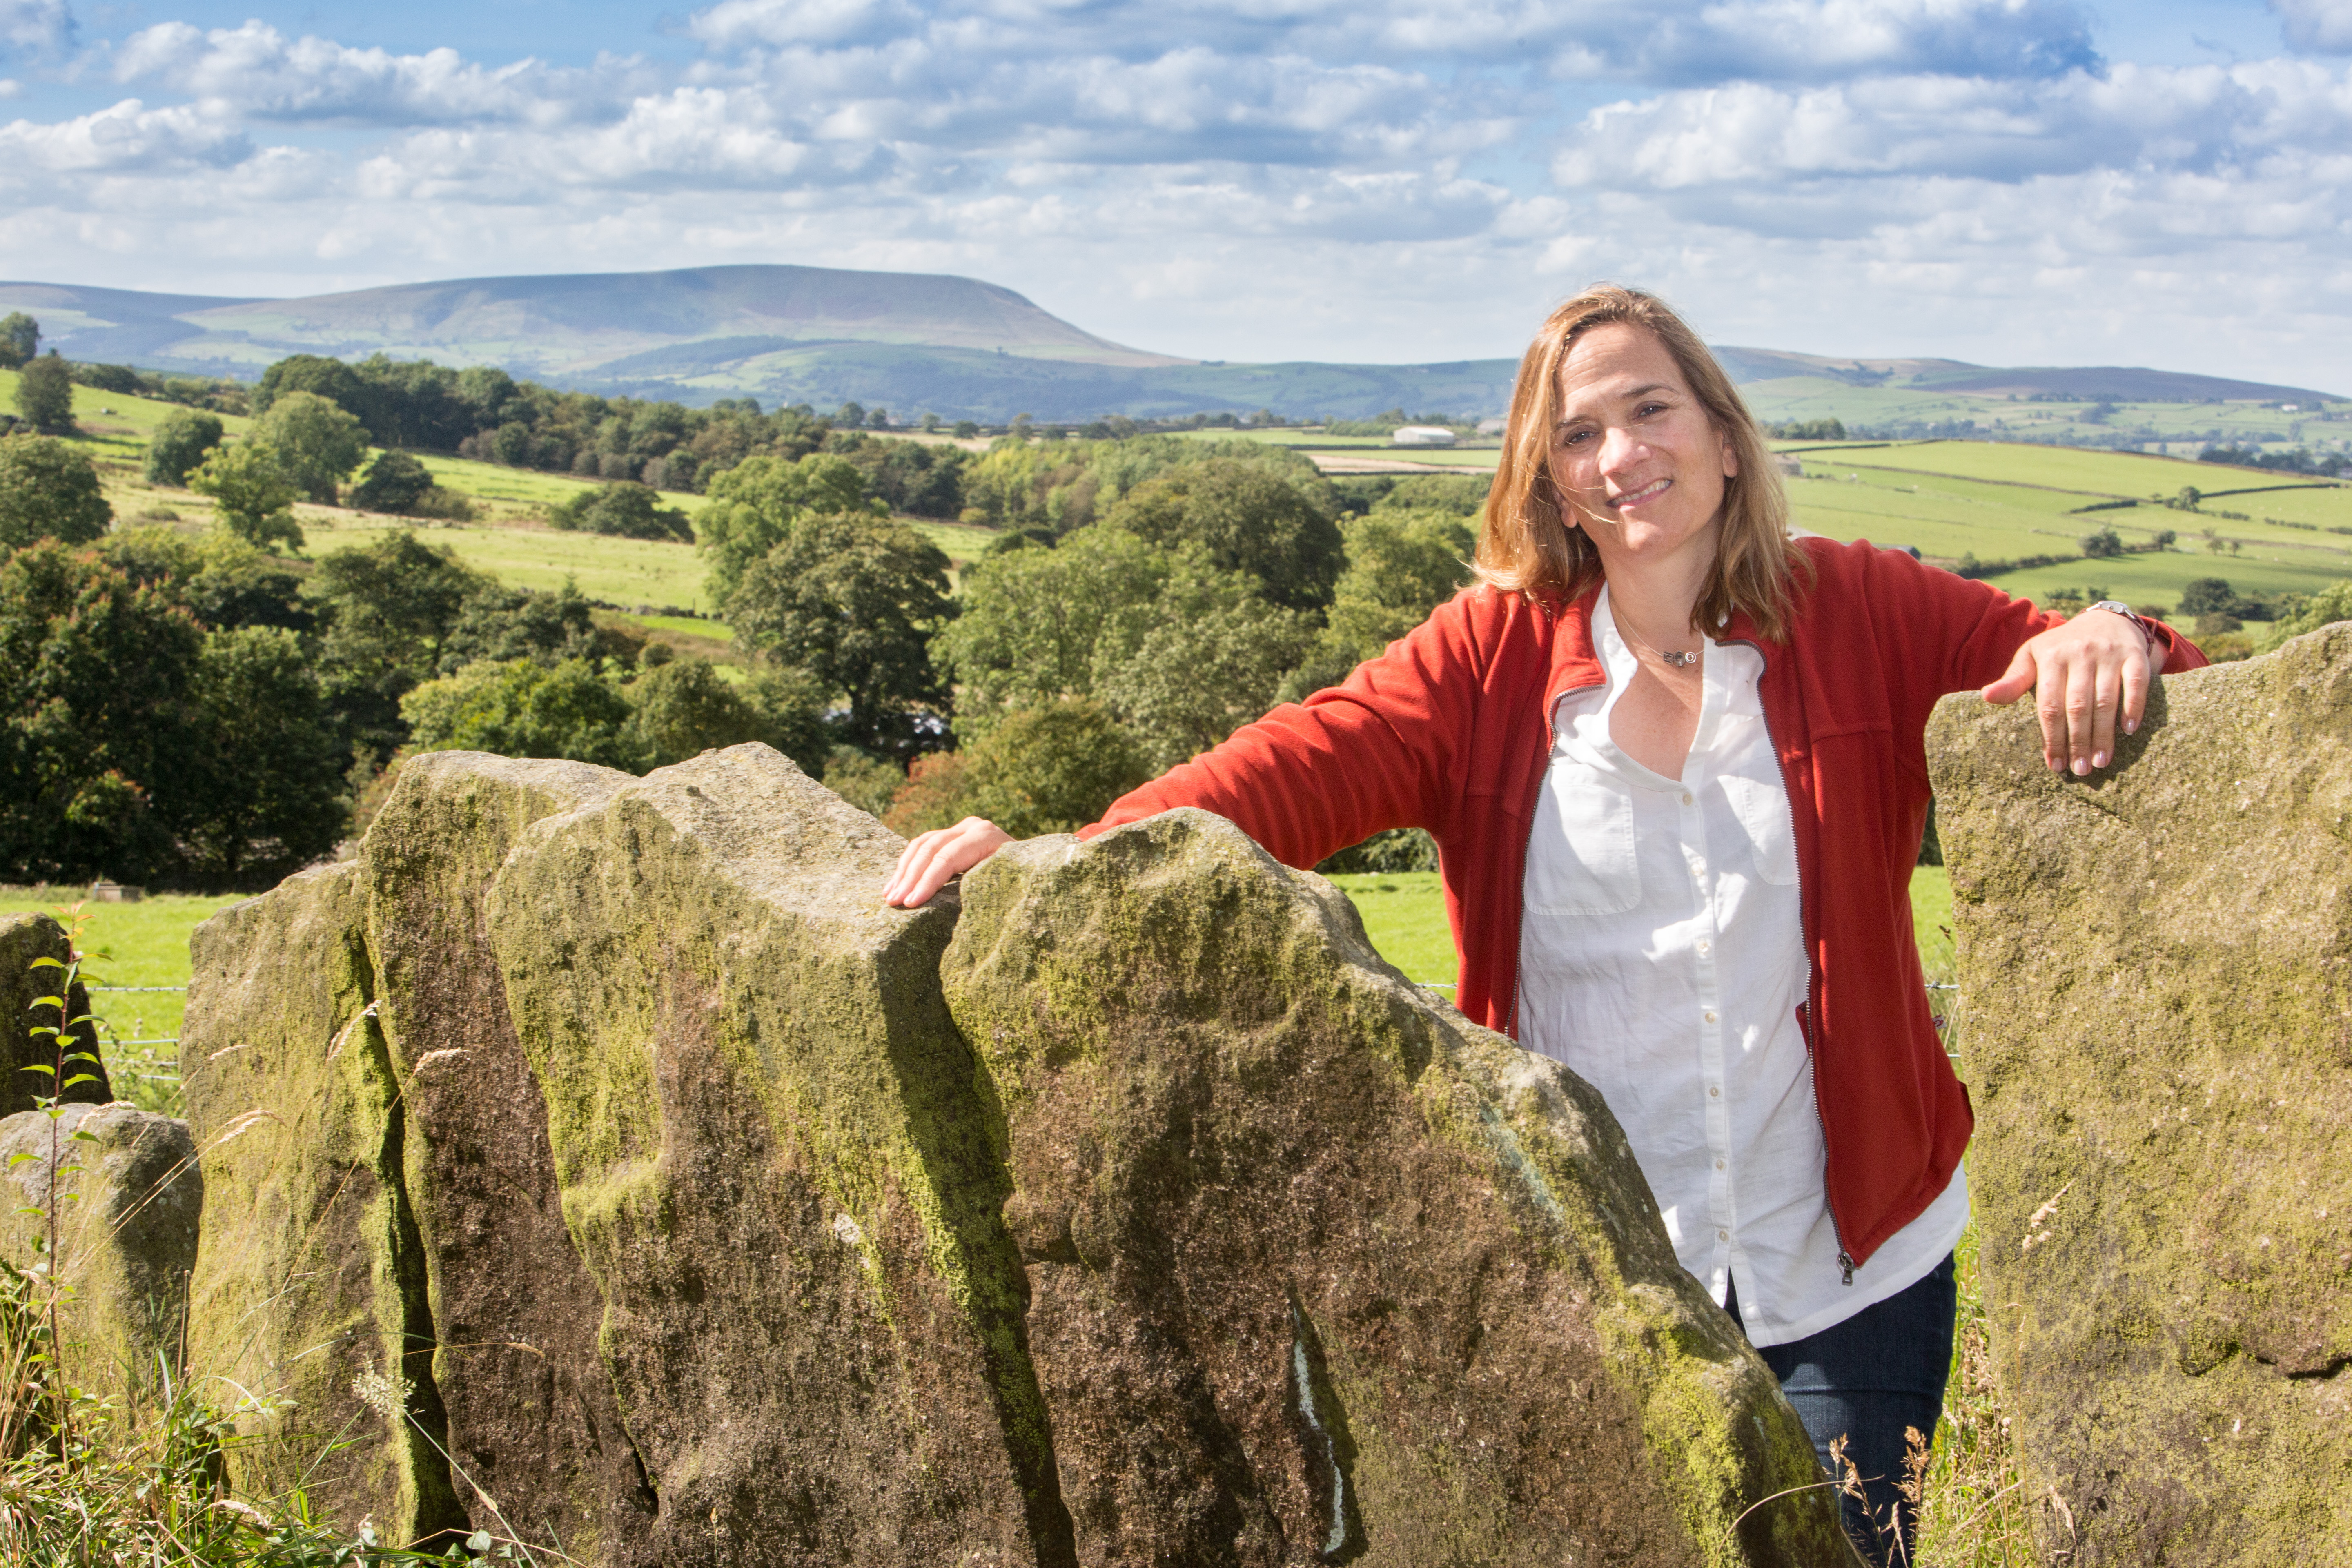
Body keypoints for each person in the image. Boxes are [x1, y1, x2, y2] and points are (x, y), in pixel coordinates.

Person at [885, 284, 2205, 1564]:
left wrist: (2116, 626)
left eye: (1651, 409)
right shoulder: (1487, 655)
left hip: (1852, 1269)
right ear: (1547, 479)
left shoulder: (1863, 607)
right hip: (1590, 1274)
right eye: (1577, 434)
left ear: (1725, 435)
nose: (1622, 455)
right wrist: (1060, 856)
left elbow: (2129, 678)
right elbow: (1285, 771)